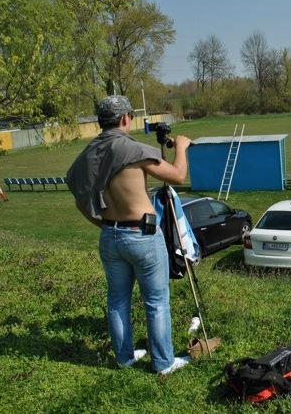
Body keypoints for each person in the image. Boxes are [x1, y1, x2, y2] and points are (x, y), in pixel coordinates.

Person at [66, 95, 192, 375]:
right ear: (125, 118)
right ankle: (163, 363)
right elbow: (178, 176)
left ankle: (124, 359)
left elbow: (79, 197)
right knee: (156, 302)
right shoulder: (134, 150)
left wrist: (102, 223)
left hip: (110, 236)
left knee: (117, 301)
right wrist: (181, 148)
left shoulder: (89, 153)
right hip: (142, 234)